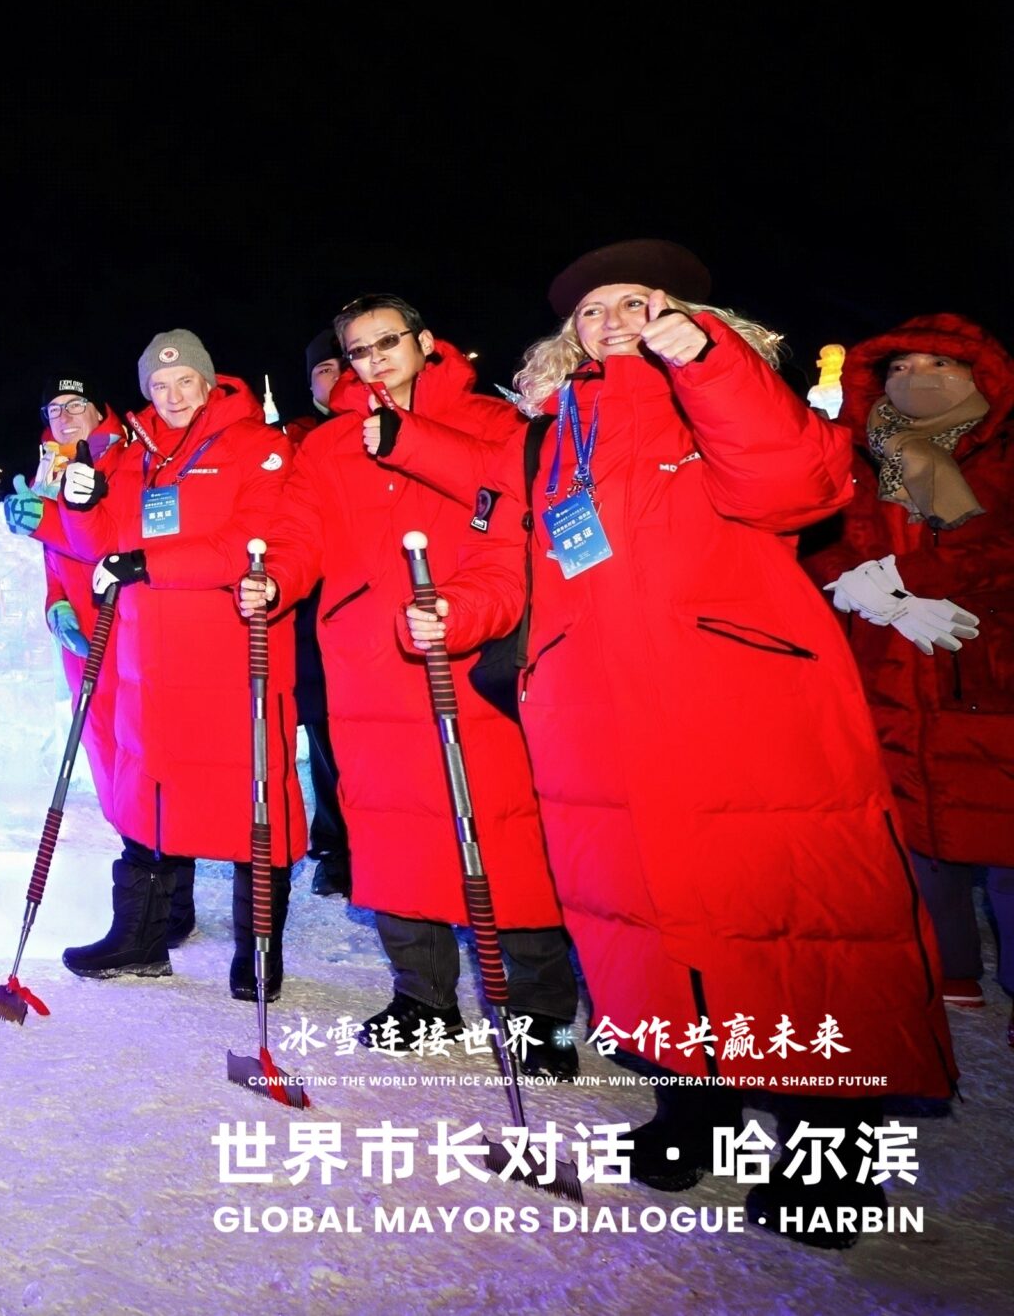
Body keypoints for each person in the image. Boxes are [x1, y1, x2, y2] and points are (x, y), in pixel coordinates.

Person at [394, 241, 956, 1248]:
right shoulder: (551, 433)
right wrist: (455, 613)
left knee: (792, 921)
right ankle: (691, 1108)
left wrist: (705, 361)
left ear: (684, 312)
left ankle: (833, 1148)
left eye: (633, 301)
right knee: (642, 920)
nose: (609, 319)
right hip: (597, 717)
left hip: (742, 708)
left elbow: (795, 486)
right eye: (589, 310)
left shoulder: (731, 395)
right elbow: (516, 560)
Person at [248, 294, 576, 1075]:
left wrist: (411, 442)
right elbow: (301, 532)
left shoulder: (493, 423)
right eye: (358, 351)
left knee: (502, 830)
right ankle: (423, 997)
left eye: (387, 342)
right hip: (369, 659)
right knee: (391, 832)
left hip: (468, 653)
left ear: (425, 341)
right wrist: (276, 579)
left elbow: (511, 514)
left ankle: (541, 1014)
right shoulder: (329, 443)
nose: (373, 360)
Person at [29, 330, 306, 999]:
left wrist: (149, 563)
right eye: (159, 385)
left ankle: (257, 950)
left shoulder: (256, 445)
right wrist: (81, 504)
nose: (173, 395)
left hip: (228, 647)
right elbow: (101, 542)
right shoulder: (138, 454)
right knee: (149, 793)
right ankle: (142, 937)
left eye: (184, 382)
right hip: (148, 659)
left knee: (252, 797)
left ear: (208, 382)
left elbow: (249, 542)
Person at [808, 314, 1008, 1041]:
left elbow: (997, 544)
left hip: (986, 662)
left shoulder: (1000, 454)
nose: (916, 376)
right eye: (900, 366)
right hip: (887, 662)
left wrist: (906, 578)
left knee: (1002, 820)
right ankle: (948, 960)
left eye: (938, 364)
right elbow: (822, 532)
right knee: (912, 813)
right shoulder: (862, 455)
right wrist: (862, 587)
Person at [4, 371, 177, 976]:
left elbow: (114, 540)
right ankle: (164, 913)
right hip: (84, 636)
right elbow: (56, 557)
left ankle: (150, 924)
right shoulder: (50, 465)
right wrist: (54, 603)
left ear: (100, 408)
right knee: (108, 762)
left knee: (142, 763)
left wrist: (47, 522)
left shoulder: (125, 456)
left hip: (127, 628)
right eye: (54, 408)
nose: (64, 415)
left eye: (75, 404)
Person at [286, 329, 352, 899]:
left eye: (344, 363)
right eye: (325, 369)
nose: (340, 377)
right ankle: (336, 846)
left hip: (381, 611)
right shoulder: (296, 441)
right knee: (327, 735)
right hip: (315, 612)